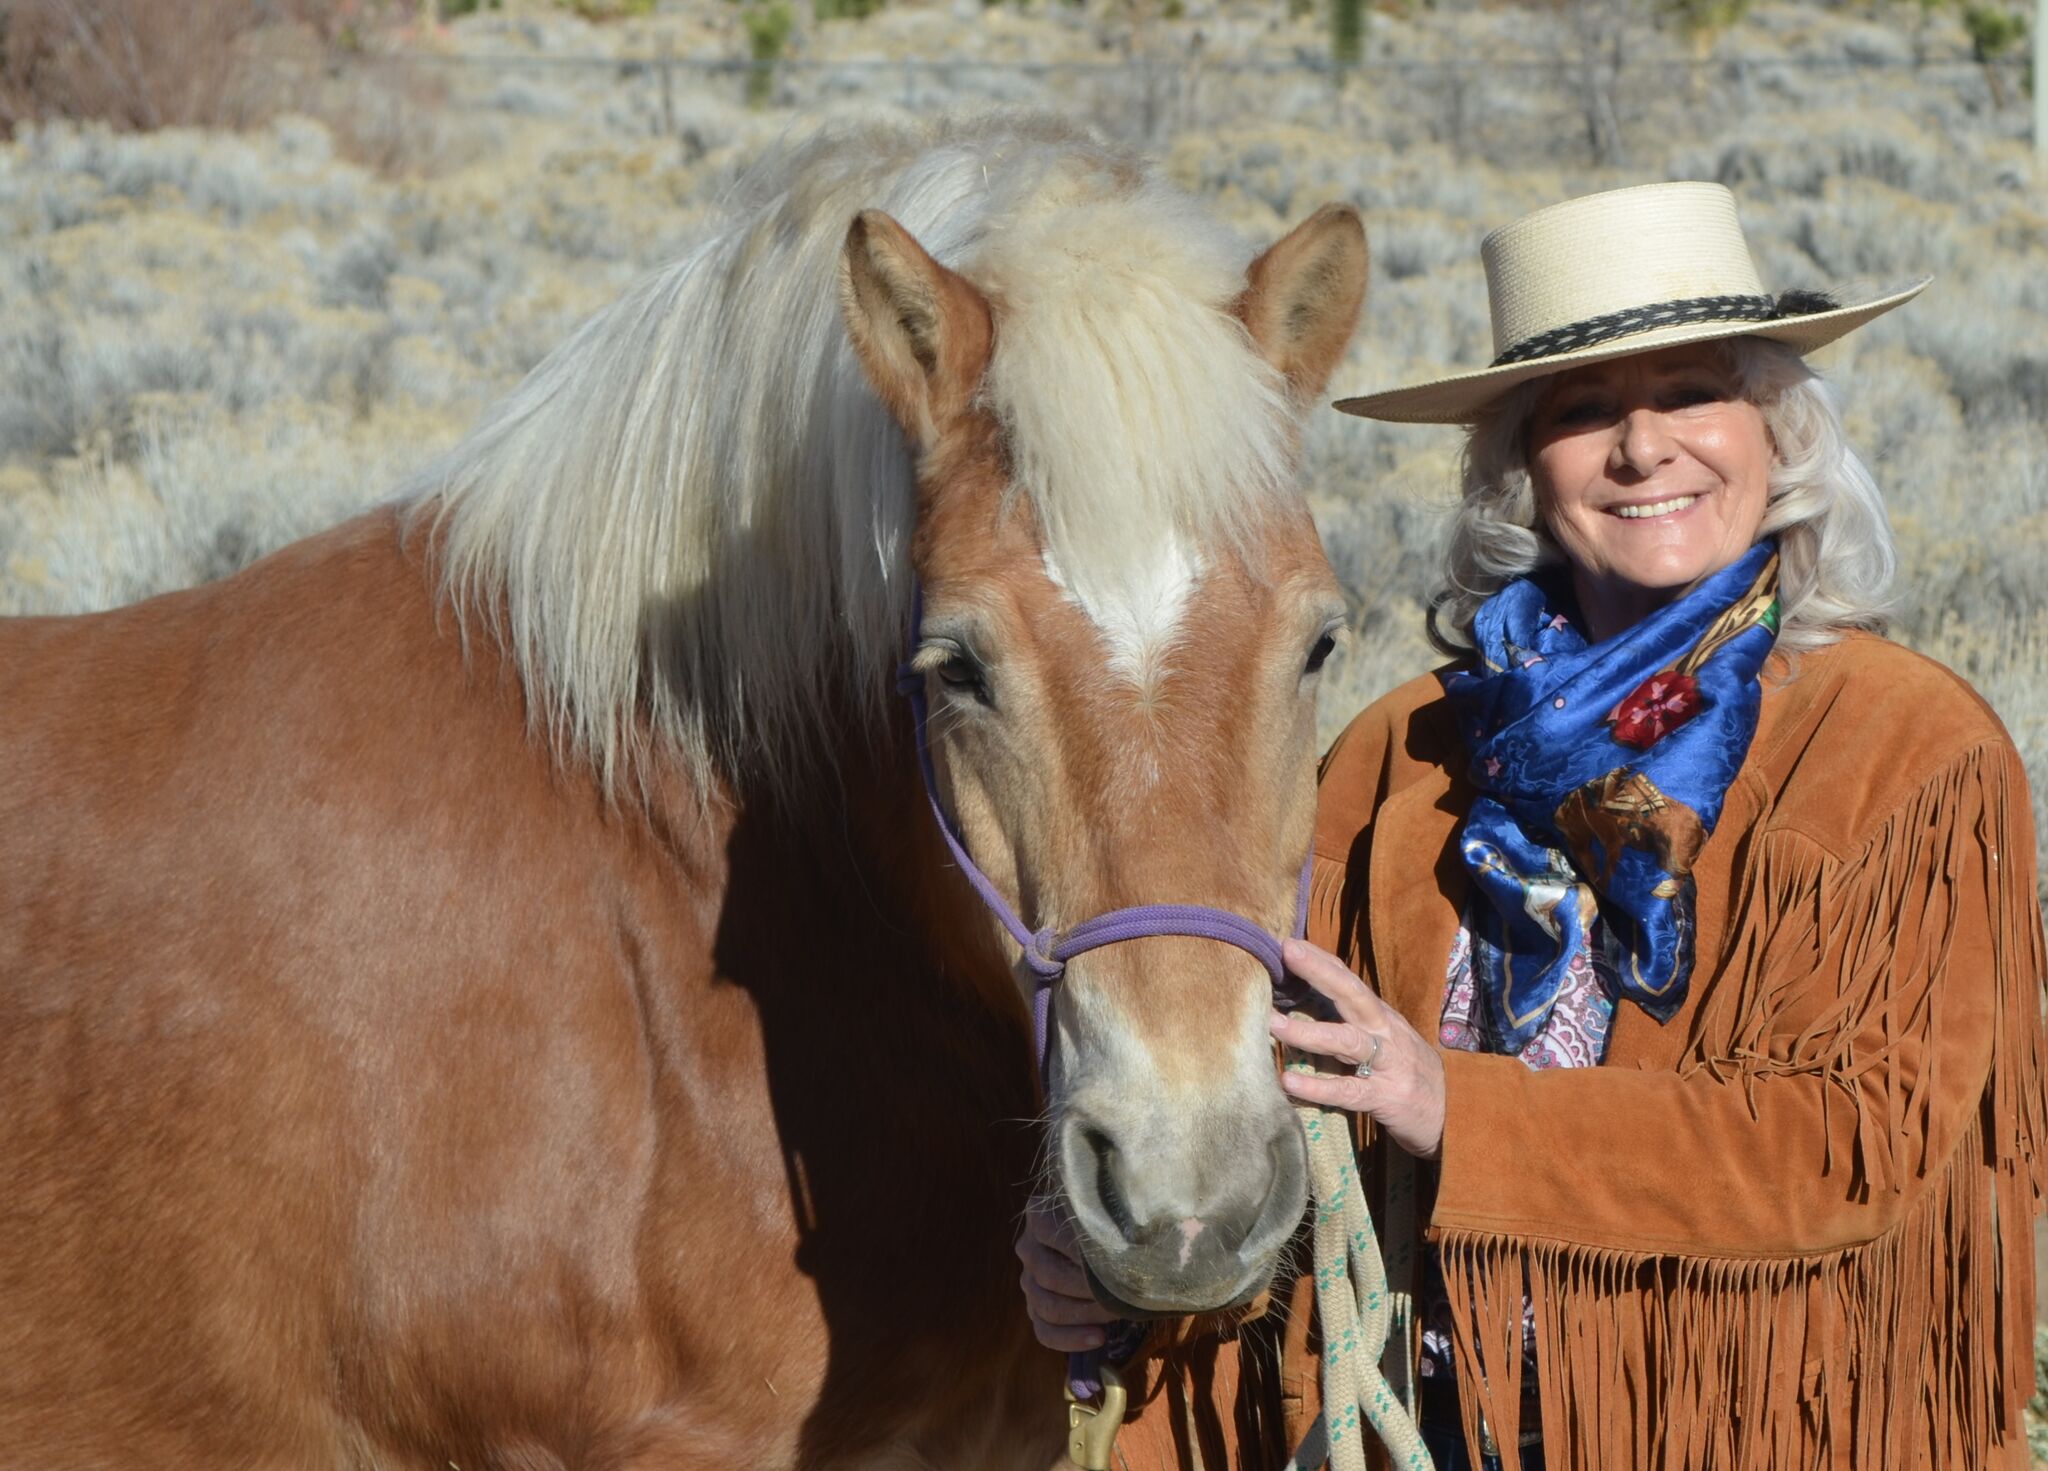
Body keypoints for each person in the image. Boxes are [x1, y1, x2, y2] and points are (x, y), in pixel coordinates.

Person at [1015, 181, 2048, 1470]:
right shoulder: (1403, 752)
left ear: (1776, 432)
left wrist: (1460, 1109)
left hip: (1755, 1431)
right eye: (1581, 412)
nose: (1642, 447)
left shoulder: (1902, 747)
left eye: (1691, 395)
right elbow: (1286, 1115)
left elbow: (1857, 1145)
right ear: (1518, 468)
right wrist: (1118, 1286)